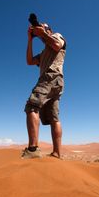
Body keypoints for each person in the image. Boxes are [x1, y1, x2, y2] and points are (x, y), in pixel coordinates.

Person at [22, 13, 66, 159]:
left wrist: (42, 33)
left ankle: (33, 150)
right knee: (54, 118)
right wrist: (30, 39)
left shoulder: (57, 36)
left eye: (43, 27)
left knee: (32, 106)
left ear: (49, 30)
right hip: (56, 83)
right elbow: (29, 61)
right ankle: (57, 153)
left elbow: (57, 45)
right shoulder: (43, 54)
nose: (40, 29)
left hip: (50, 77)